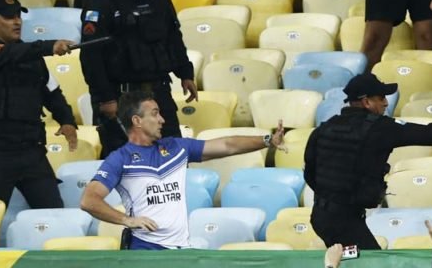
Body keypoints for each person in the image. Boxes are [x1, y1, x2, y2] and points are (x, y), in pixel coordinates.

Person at [81, 91, 287, 250]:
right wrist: (127, 220)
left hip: (180, 250)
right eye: (155, 114)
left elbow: (228, 145)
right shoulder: (120, 159)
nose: (162, 119)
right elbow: (89, 201)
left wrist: (267, 140)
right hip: (144, 251)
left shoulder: (176, 147)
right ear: (137, 121)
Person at [305, 72, 432, 248]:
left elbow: (309, 172)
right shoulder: (379, 128)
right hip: (345, 220)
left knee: (350, 260)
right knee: (370, 262)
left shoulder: (325, 128)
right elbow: (425, 134)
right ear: (367, 102)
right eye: (381, 98)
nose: (386, 103)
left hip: (320, 215)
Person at [80, 0, 198, 156]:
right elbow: (91, 56)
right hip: (123, 95)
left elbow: (173, 39)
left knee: (172, 155)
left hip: (159, 91)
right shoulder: (100, 2)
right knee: (126, 161)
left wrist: (185, 73)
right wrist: (105, 98)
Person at [0, 0, 74, 208]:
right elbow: (5, 54)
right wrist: (48, 46)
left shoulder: (31, 56)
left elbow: (51, 91)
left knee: (53, 212)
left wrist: (67, 120)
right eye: (9, 17)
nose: (16, 22)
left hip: (31, 152)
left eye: (18, 16)